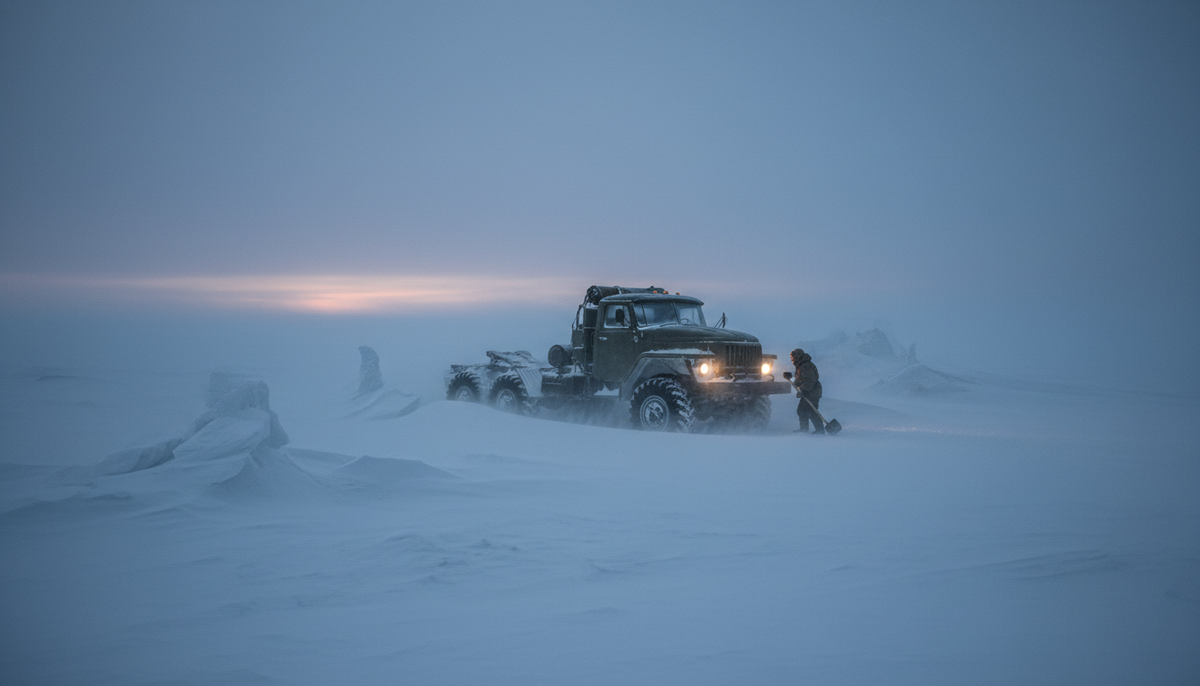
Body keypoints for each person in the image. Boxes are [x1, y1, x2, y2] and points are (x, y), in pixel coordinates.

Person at [786, 348, 824, 434]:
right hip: (809, 391)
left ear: (798, 357)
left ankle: (819, 430)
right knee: (803, 410)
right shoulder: (801, 366)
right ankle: (804, 429)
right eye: (791, 358)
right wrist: (790, 377)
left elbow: (809, 380)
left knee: (810, 411)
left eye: (793, 358)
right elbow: (799, 381)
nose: (792, 360)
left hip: (812, 392)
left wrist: (805, 390)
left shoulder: (806, 366)